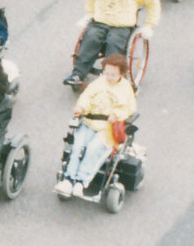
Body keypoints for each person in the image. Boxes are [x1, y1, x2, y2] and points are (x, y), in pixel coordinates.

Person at [65, 0, 160, 86]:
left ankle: (109, 76)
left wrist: (150, 25)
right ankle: (78, 73)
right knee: (90, 39)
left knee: (114, 43)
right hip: (100, 21)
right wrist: (90, 12)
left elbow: (153, 2)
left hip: (122, 25)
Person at [56, 54, 137, 197]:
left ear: (121, 74)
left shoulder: (126, 89)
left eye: (113, 74)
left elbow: (129, 109)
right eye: (106, 73)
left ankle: (81, 181)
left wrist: (117, 114)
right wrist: (81, 107)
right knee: (76, 147)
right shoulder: (99, 83)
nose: (109, 77)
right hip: (89, 122)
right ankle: (69, 179)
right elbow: (86, 97)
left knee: (93, 149)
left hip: (107, 128)